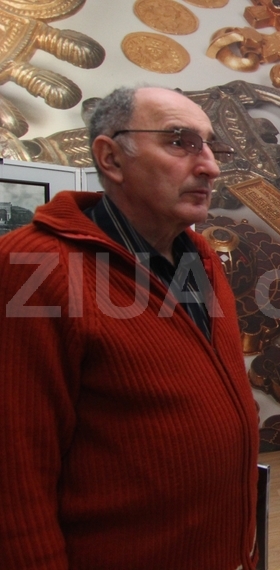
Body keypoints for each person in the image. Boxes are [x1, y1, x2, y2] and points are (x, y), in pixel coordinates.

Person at [0, 86, 259, 570]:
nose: (210, 167)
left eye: (209, 145)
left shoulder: (198, 255)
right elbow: (14, 477)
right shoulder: (32, 265)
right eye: (180, 142)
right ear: (112, 158)